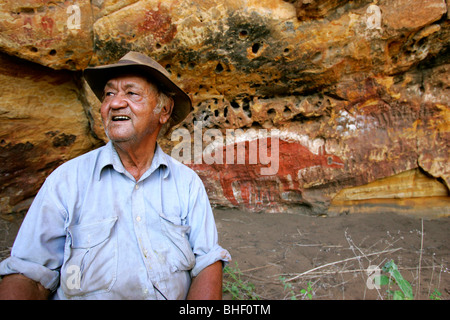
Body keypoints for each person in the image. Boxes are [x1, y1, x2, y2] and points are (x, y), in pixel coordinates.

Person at [0, 51, 231, 300]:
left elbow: (207, 262)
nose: (115, 103)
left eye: (131, 93)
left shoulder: (187, 184)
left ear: (163, 110)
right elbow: (28, 274)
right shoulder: (66, 181)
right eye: (109, 94)